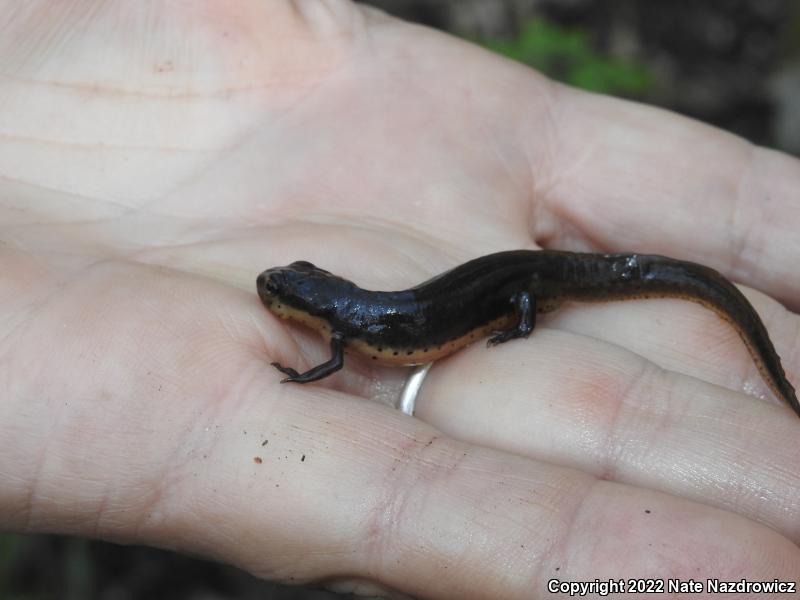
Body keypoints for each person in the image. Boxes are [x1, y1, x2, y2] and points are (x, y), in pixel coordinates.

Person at [1, 1, 798, 597]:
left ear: (318, 308)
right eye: (280, 292)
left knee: (540, 290)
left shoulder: (352, 335)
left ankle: (645, 329)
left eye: (284, 292)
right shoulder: (358, 322)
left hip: (521, 283)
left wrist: (518, 324)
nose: (274, 297)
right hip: (500, 279)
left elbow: (324, 371)